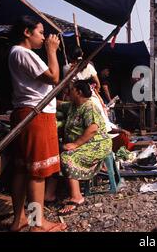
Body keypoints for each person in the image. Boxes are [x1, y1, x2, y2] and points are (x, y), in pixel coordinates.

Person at [8, 16, 66, 232]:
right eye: (40, 33)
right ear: (26, 32)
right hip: (36, 115)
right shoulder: (23, 53)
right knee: (37, 172)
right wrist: (52, 51)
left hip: (27, 113)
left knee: (22, 170)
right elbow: (53, 77)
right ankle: (36, 225)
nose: (43, 37)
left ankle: (19, 220)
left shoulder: (16, 53)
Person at [56, 80, 113, 215]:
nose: (68, 92)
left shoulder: (89, 106)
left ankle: (77, 196)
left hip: (97, 144)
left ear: (79, 92)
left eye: (71, 89)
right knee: (55, 153)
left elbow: (93, 128)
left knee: (67, 156)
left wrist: (75, 144)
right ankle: (49, 194)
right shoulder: (72, 106)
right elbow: (57, 104)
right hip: (85, 143)